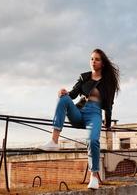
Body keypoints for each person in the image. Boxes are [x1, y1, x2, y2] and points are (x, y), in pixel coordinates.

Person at [38, 49, 120, 189]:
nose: (93, 61)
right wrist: (65, 93)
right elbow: (73, 95)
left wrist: (107, 123)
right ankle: (54, 141)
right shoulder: (84, 77)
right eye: (91, 59)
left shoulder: (108, 83)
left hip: (94, 114)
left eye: (97, 59)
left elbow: (109, 105)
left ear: (103, 63)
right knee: (63, 98)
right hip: (79, 112)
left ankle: (93, 176)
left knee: (93, 140)